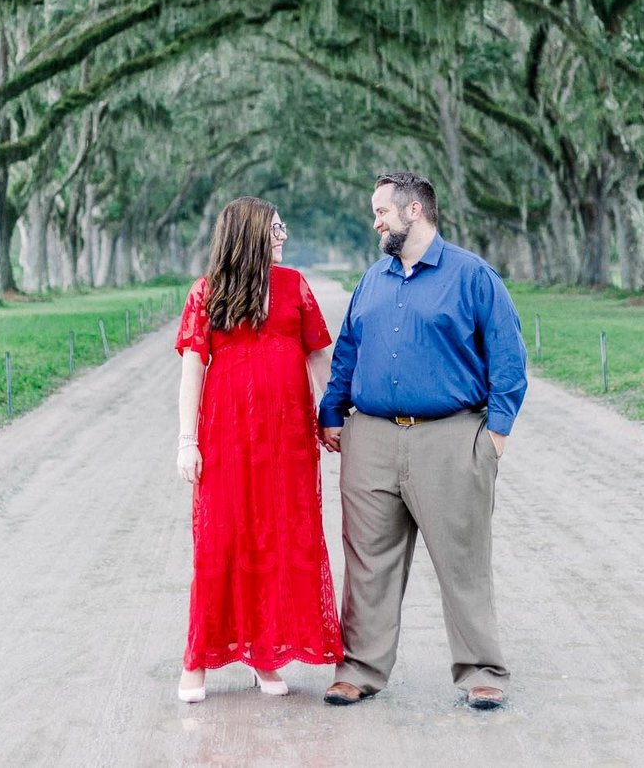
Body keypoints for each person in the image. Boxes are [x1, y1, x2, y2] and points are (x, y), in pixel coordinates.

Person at [318, 172, 527, 711]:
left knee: (462, 561)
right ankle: (359, 669)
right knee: (367, 562)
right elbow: (348, 351)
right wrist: (332, 411)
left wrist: (494, 437)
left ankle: (481, 671)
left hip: (451, 439)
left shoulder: (472, 276)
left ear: (414, 211)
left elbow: (509, 359)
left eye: (382, 211)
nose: (375, 221)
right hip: (372, 439)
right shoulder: (372, 279)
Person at [173, 196, 343, 703]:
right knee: (220, 546)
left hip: (287, 442)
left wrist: (331, 415)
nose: (283, 235)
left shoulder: (294, 287)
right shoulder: (207, 294)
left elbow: (318, 358)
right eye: (275, 228)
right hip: (225, 441)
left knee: (279, 542)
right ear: (248, 233)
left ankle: (265, 655)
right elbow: (192, 372)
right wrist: (187, 441)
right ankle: (197, 663)